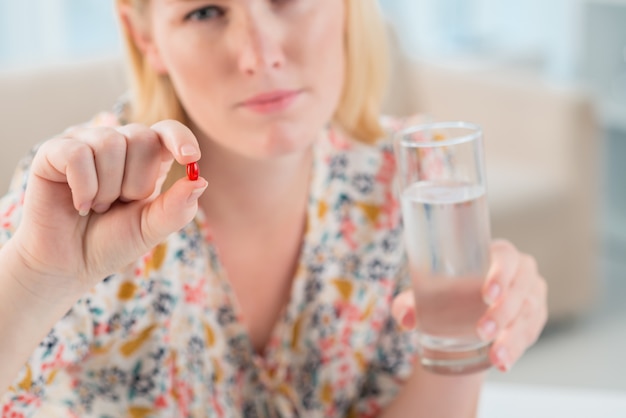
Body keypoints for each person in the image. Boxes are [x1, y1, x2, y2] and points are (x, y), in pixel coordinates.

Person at [0, 0, 548, 416]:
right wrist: (34, 280)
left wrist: (466, 340)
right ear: (145, 37)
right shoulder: (74, 197)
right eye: (206, 11)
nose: (261, 54)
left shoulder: (409, 181)